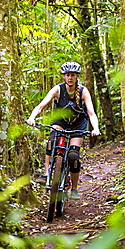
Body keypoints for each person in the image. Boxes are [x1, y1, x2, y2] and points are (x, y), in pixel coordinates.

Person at [27, 61, 100, 200]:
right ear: (64, 77)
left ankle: (74, 189)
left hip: (78, 125)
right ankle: (47, 174)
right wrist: (32, 117)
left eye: (72, 75)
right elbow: (41, 105)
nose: (70, 78)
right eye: (67, 75)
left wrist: (95, 128)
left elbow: (91, 113)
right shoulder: (58, 89)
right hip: (60, 122)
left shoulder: (84, 91)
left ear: (77, 76)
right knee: (52, 140)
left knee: (73, 156)